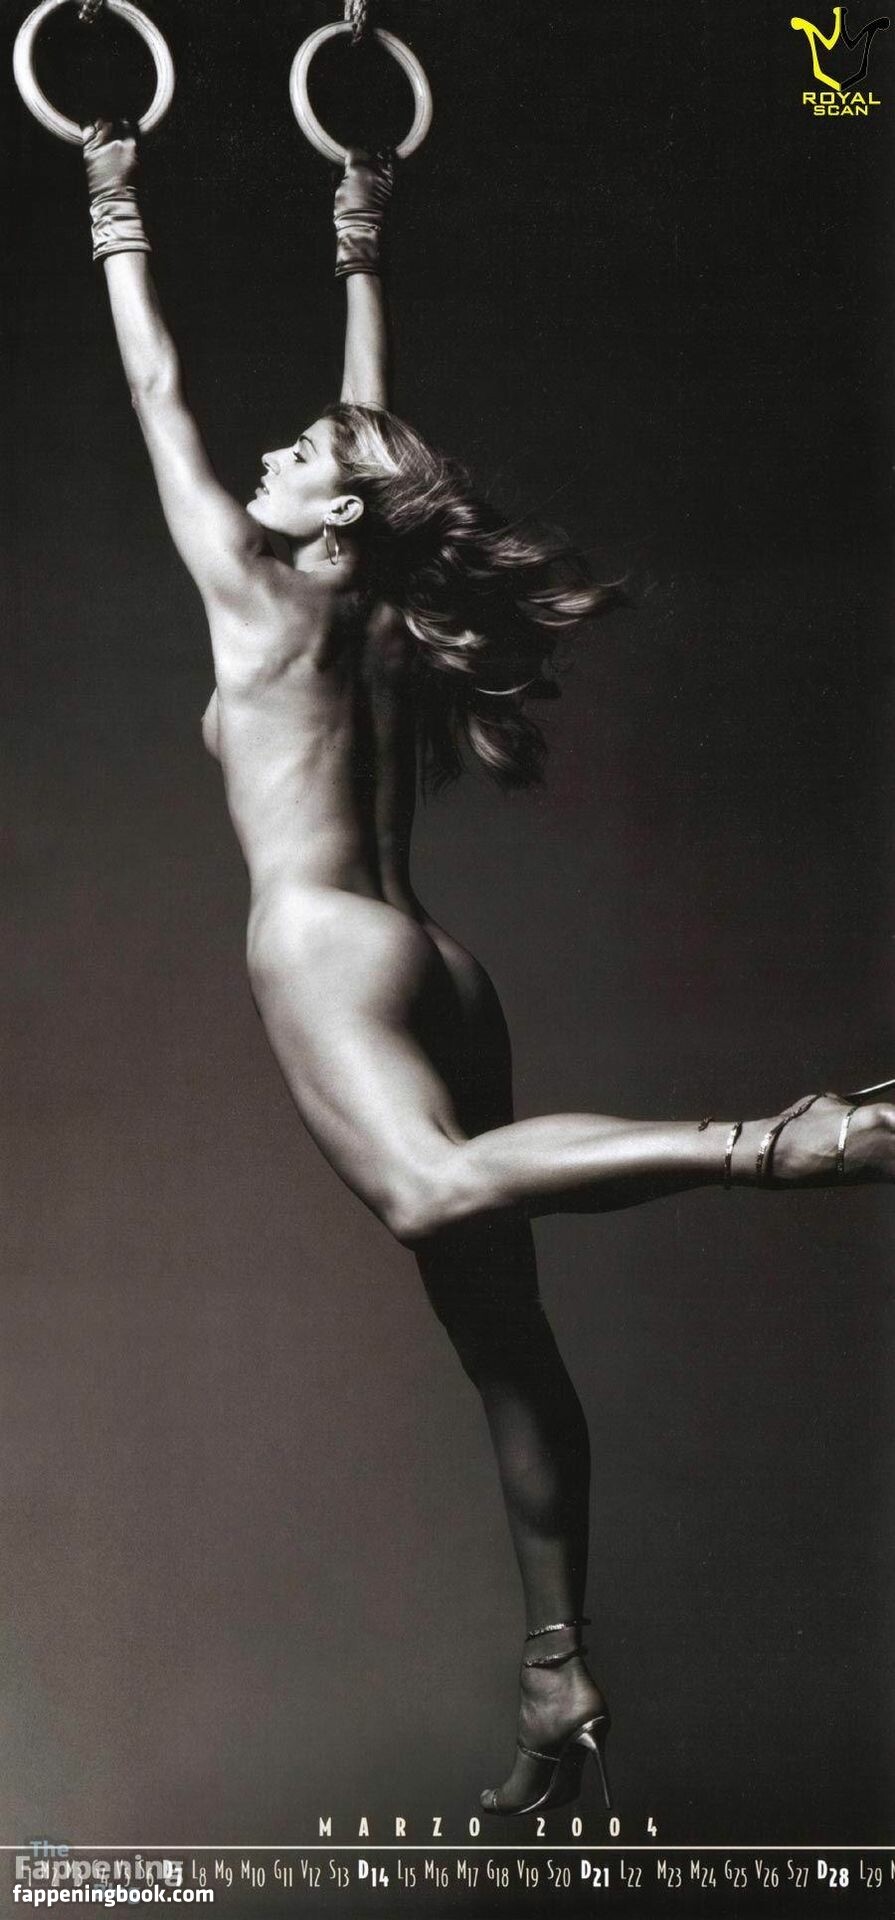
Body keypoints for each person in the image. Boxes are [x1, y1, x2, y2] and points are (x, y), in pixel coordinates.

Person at [79, 122, 893, 1818]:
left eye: (300, 451)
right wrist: (359, 236)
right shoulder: (377, 601)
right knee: (504, 1340)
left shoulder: (253, 599)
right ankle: (555, 1667)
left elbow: (155, 389)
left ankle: (784, 1142)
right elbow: (365, 428)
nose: (268, 452)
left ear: (337, 509)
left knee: (434, 1189)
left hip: (324, 947)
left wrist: (114, 207)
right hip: (439, 963)